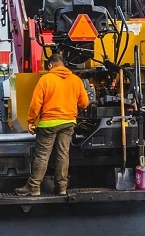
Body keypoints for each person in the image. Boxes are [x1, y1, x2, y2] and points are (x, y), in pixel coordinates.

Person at [17, 52, 90, 197]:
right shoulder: (76, 80)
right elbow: (84, 102)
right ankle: (61, 188)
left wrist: (31, 121)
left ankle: (34, 187)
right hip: (68, 122)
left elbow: (36, 103)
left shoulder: (46, 79)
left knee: (43, 156)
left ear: (50, 65)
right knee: (63, 155)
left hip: (49, 123)